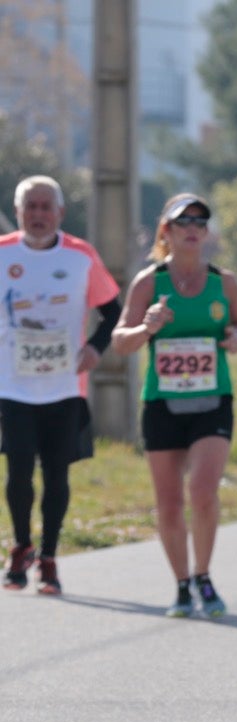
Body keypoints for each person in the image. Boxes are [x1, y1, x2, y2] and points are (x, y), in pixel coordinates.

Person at [111, 194, 237, 618]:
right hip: (162, 402)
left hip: (212, 400)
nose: (192, 228)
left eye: (200, 221)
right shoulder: (149, 283)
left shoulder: (223, 282)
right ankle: (182, 585)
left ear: (206, 233)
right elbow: (120, 342)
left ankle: (204, 576)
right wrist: (146, 327)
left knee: (203, 493)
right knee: (169, 503)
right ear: (166, 232)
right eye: (182, 221)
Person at [1, 175, 121, 594]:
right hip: (12, 386)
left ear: (60, 213)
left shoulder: (80, 257)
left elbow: (113, 311)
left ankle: (49, 557)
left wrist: (95, 347)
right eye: (29, 207)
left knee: (56, 475)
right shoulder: (2, 254)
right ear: (18, 213)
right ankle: (20, 547)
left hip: (65, 387)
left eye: (44, 207)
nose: (37, 215)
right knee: (17, 472)